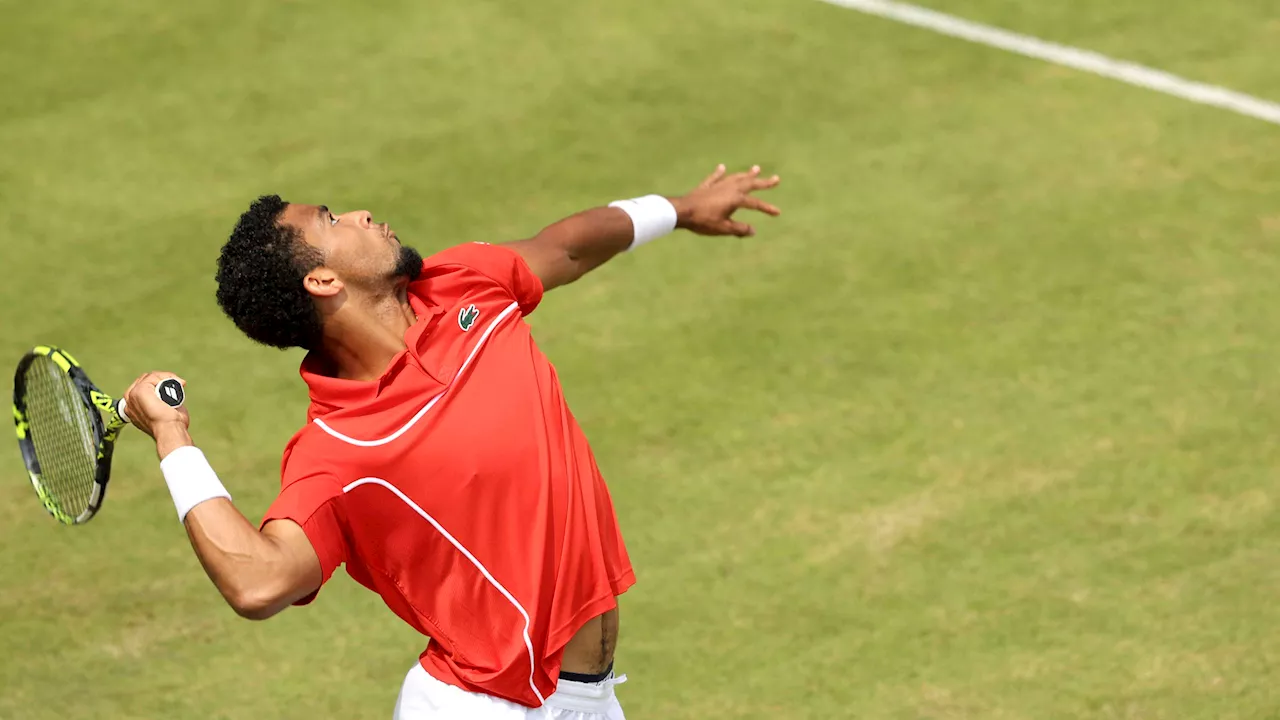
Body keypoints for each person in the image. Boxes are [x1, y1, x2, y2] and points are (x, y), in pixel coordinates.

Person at [121, 164, 782, 719]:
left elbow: (569, 246)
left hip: (587, 699)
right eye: (331, 220)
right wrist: (174, 438)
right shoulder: (339, 452)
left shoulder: (464, 283)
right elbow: (260, 582)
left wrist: (682, 208)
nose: (361, 213)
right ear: (322, 282)